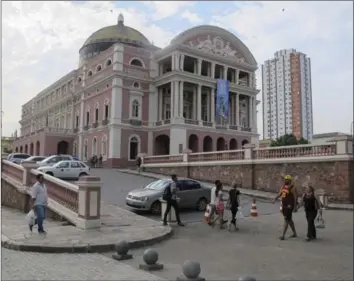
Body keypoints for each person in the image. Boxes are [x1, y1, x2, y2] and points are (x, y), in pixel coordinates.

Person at [272, 175, 298, 240]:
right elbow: (279, 194)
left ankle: (283, 235)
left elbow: (295, 198)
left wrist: (295, 207)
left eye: (287, 179)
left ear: (290, 180)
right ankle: (294, 233)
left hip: (289, 206)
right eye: (285, 179)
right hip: (284, 205)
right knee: (289, 220)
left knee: (286, 220)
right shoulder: (283, 187)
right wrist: (274, 199)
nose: (285, 180)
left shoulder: (292, 188)